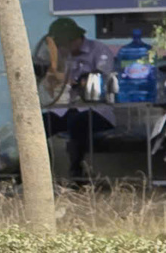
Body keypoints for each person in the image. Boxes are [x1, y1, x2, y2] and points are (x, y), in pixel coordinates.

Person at [38, 16, 117, 184]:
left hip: (97, 110)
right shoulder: (62, 56)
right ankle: (37, 174)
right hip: (67, 108)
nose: (62, 49)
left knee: (78, 123)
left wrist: (81, 82)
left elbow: (102, 77)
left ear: (75, 39)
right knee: (42, 123)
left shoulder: (99, 50)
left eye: (64, 44)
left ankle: (77, 173)